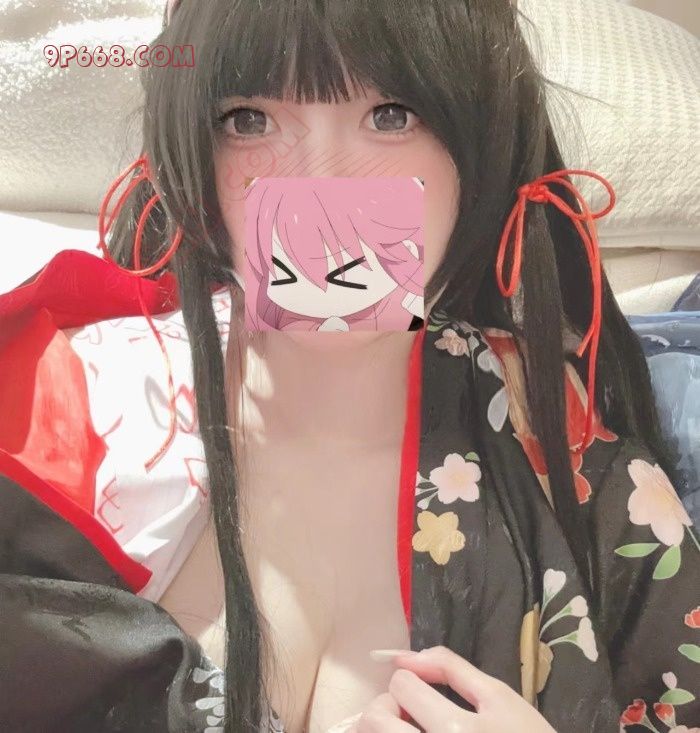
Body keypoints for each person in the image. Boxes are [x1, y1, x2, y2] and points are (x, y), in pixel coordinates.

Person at [0, 1, 698, 732]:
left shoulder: (558, 434)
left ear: (480, 149)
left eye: (392, 116)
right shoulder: (62, 415)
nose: (321, 186)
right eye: (248, 119)